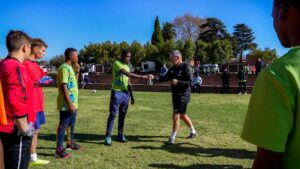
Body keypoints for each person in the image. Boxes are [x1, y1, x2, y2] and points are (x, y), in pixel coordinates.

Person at [241, 0, 300, 168]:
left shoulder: (278, 74)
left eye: (272, 14)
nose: (273, 20)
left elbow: (268, 162)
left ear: (283, 10)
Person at [0, 30, 35, 169]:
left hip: (6, 127)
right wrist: (25, 129)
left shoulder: (3, 64)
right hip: (15, 130)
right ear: (25, 47)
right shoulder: (15, 67)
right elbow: (15, 100)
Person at [104, 49, 152, 146]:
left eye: (130, 56)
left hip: (125, 94)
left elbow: (129, 82)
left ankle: (120, 135)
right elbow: (127, 74)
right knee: (113, 115)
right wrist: (143, 77)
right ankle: (108, 136)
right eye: (127, 56)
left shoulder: (127, 66)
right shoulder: (117, 63)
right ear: (122, 56)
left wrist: (132, 96)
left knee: (122, 115)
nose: (129, 58)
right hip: (117, 92)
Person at [154, 50, 197, 145]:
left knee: (176, 116)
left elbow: (191, 83)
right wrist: (153, 78)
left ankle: (172, 138)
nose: (170, 60)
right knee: (182, 115)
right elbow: (164, 78)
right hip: (175, 95)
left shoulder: (186, 68)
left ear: (177, 57)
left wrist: (178, 82)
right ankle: (193, 132)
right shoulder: (173, 68)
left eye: (171, 58)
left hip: (183, 95)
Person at [23, 39, 51, 166]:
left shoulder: (36, 65)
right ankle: (29, 157)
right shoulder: (25, 64)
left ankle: (33, 156)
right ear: (35, 49)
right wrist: (38, 82)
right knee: (29, 131)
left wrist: (45, 79)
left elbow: (46, 77)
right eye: (43, 50)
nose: (44, 53)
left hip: (38, 104)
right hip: (30, 104)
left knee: (36, 130)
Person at [55, 48, 81, 159]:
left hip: (73, 103)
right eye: (76, 56)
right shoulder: (63, 68)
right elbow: (64, 86)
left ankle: (70, 143)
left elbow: (74, 82)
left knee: (71, 123)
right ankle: (59, 149)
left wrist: (77, 71)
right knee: (63, 124)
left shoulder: (70, 68)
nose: (77, 58)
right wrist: (69, 103)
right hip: (66, 103)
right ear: (70, 56)